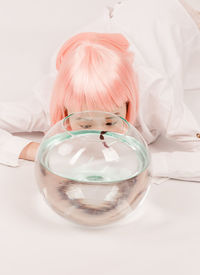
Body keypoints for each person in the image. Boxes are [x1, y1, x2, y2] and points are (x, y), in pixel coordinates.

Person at [0, 0, 200, 182]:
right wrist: (35, 151)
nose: (100, 134)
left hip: (168, 13)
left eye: (111, 121)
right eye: (85, 124)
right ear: (65, 110)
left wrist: (143, 163)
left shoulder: (155, 94)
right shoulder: (50, 100)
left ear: (129, 104)